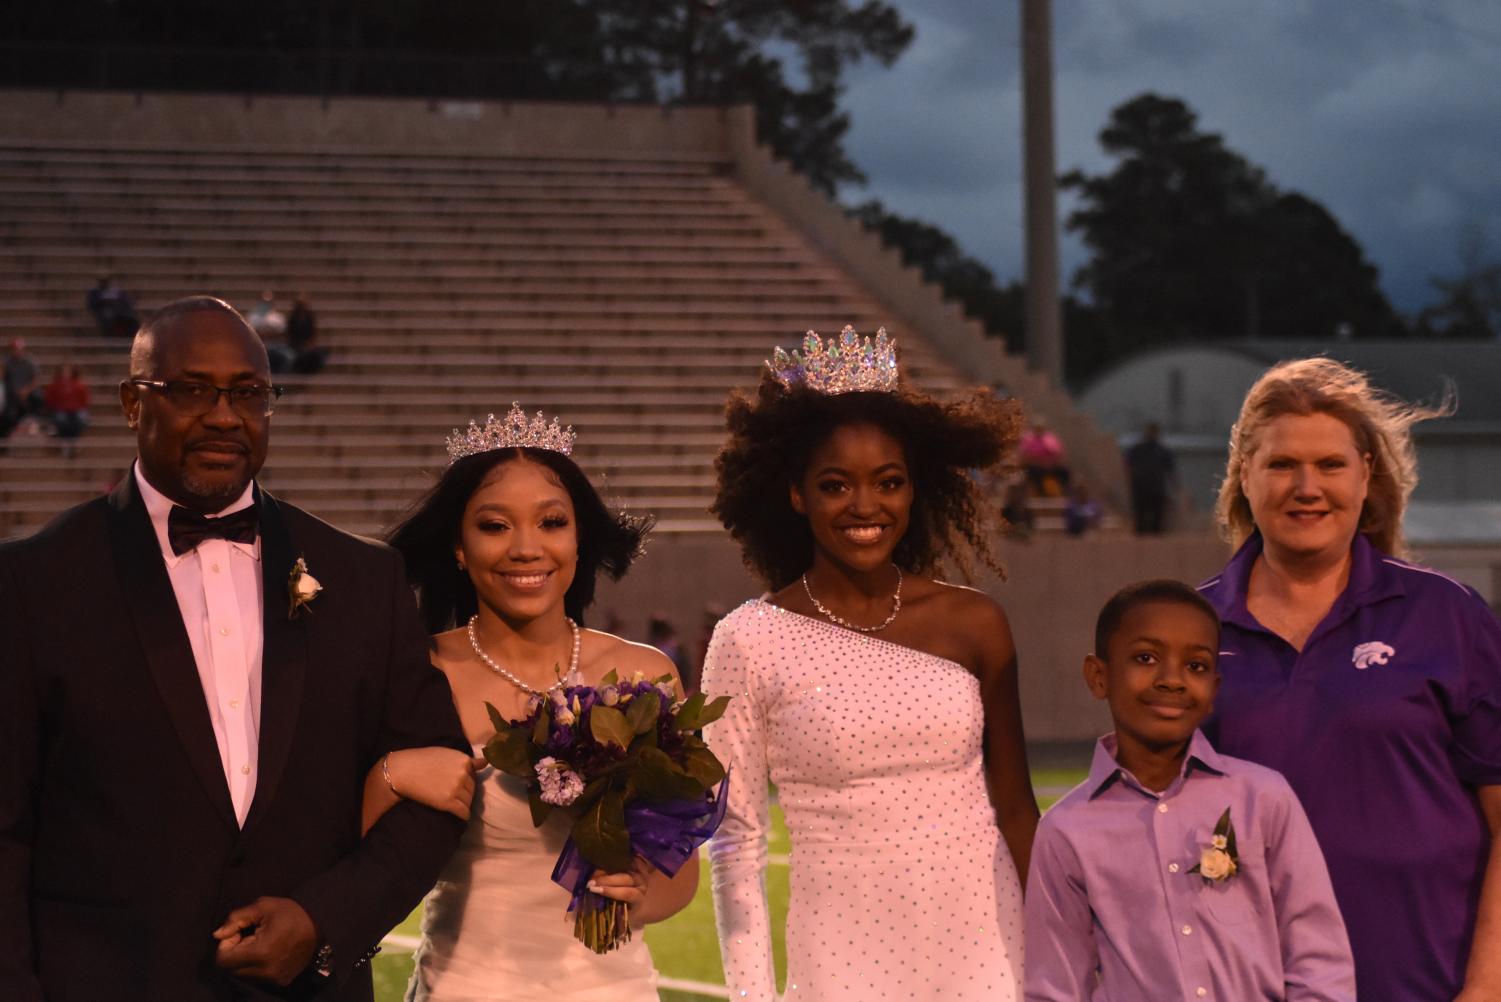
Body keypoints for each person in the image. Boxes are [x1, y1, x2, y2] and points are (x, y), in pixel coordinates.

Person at [0, 296, 468, 1001]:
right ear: (132, 402)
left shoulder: (364, 579)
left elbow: (440, 787)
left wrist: (325, 920)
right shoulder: (33, 582)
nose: (224, 415)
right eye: (191, 390)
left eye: (248, 392)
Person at [702, 326, 1036, 1000]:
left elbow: (1016, 810)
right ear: (797, 495)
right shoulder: (747, 639)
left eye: (888, 482)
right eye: (835, 485)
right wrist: (751, 996)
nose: (865, 507)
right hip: (841, 964)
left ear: (915, 492)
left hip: (989, 954)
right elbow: (736, 843)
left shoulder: (975, 623)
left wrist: (1066, 959)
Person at [1200, 357, 1501, 1001]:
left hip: (1429, 984)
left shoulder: (1447, 616)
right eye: (1282, 465)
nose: (1306, 487)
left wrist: (1486, 987)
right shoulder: (1187, 632)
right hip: (1248, 984)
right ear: (1244, 476)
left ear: (1366, 475)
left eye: (1330, 465)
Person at [379, 404, 699, 1001]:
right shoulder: (416, 671)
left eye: (551, 522)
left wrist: (638, 894)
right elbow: (350, 848)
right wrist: (390, 773)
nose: (527, 549)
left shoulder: (644, 674)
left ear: (579, 539)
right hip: (463, 988)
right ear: (457, 546)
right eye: (495, 526)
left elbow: (680, 879)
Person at [1025, 579, 1354, 1001]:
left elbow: (1318, 959)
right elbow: (1056, 985)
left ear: (1214, 690)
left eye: (1195, 666)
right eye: (1146, 658)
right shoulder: (1065, 831)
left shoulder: (1263, 797)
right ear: (1098, 676)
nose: (1172, 680)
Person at [1125, 422, 1176, 534]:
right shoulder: (1137, 449)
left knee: (1156, 520)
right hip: (1140, 488)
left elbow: (1171, 471)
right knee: (1140, 519)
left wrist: (1175, 489)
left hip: (1156, 489)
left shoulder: (1162, 451)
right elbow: (1127, 465)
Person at [43, 363, 91, 458]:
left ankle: (74, 441)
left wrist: (76, 407)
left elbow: (85, 400)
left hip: (76, 410)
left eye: (68, 370)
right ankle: (65, 442)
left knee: (81, 418)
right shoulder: (55, 385)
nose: (66, 373)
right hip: (60, 410)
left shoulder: (79, 385)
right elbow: (49, 399)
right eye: (64, 370)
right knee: (61, 419)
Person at [1018, 417, 1069, 496]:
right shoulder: (1028, 439)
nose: (1039, 429)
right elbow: (1024, 455)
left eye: (1040, 427)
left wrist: (1050, 462)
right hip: (1034, 466)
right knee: (1033, 473)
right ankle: (1039, 494)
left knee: (1065, 472)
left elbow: (1058, 453)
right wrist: (1037, 461)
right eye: (1037, 427)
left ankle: (1064, 493)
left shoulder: (1050, 438)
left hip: (1050, 466)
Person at [3, 337, 43, 432]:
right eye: (14, 349)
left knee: (37, 396)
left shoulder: (30, 362)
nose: (17, 351)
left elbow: (36, 379)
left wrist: (26, 390)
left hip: (27, 392)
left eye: (19, 349)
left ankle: (35, 420)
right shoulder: (6, 362)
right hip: (12, 393)